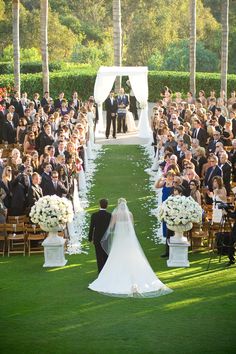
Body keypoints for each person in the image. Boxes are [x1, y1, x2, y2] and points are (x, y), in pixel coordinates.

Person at [88, 198, 172, 298]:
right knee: (131, 256)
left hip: (119, 238)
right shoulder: (130, 214)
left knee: (117, 256)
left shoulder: (115, 215)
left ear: (118, 205)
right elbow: (131, 227)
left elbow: (111, 227)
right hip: (128, 238)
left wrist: (106, 235)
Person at [88, 198, 111, 273]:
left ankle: (100, 271)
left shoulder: (94, 215)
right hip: (106, 238)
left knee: (99, 256)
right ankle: (106, 270)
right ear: (107, 206)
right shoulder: (109, 215)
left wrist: (90, 238)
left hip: (97, 238)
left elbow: (91, 228)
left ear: (99, 205)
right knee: (106, 255)